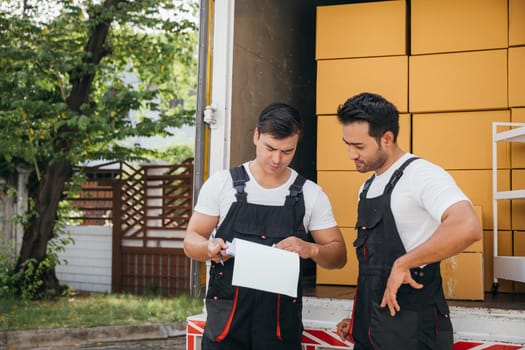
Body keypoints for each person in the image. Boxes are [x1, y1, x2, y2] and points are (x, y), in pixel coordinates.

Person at [184, 102, 347, 350]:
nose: (276, 159)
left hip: (280, 329)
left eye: (287, 151)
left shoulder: (310, 194)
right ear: (256, 135)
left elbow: (338, 257)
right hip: (226, 325)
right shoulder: (222, 184)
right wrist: (209, 246)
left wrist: (311, 249)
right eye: (270, 148)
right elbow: (191, 241)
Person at [334, 92, 482, 350]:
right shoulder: (367, 187)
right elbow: (371, 269)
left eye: (359, 146)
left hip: (414, 329)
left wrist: (405, 263)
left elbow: (467, 226)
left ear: (387, 138)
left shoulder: (422, 175)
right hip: (372, 327)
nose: (351, 154)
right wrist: (360, 317)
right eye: (347, 144)